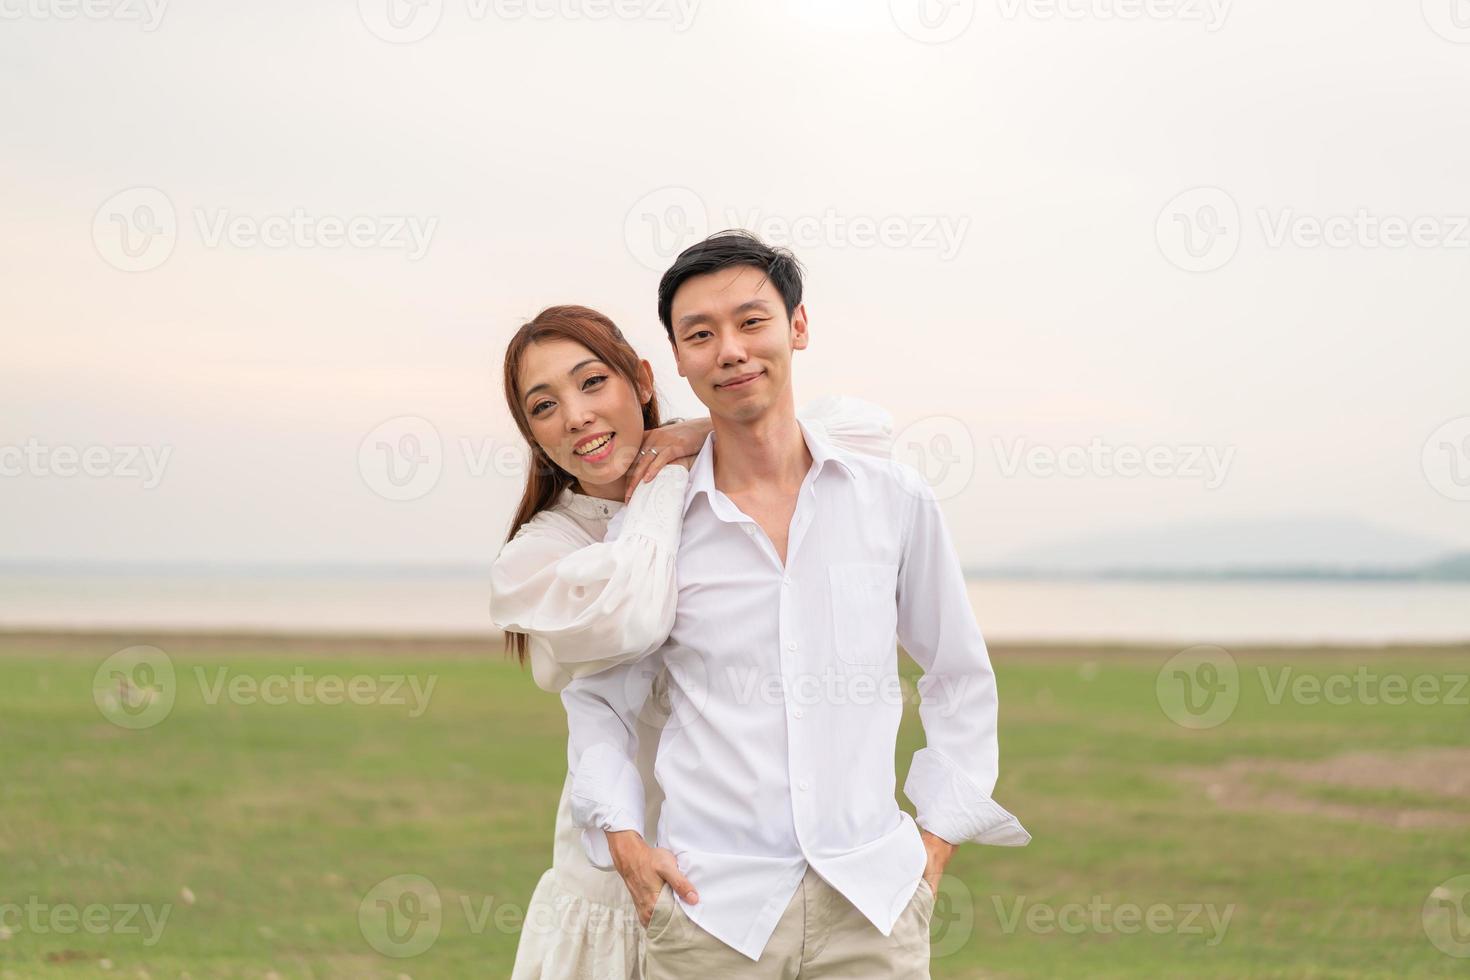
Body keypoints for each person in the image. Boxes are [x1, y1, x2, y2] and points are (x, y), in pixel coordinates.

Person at [561, 231, 1031, 978]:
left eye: (752, 322)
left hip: (872, 909)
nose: (731, 350)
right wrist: (623, 838)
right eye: (701, 334)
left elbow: (958, 675)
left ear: (797, 328)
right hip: (711, 916)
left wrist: (934, 842)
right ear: (678, 360)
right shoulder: (656, 526)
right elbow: (601, 703)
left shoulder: (892, 499)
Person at [489, 302, 895, 979]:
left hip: (751, 869)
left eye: (593, 383)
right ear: (532, 434)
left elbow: (872, 434)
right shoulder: (539, 555)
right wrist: (669, 471)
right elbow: (637, 615)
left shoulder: (729, 477)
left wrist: (703, 432)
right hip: (620, 876)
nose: (577, 416)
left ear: (643, 380)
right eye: (543, 406)